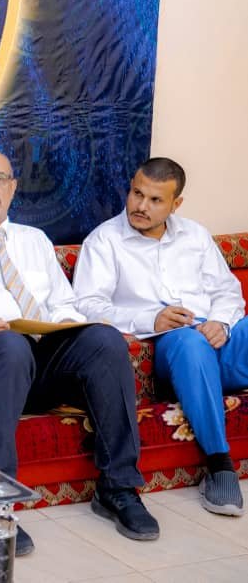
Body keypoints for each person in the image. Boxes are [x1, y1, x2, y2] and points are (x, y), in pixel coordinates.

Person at [0, 150, 159, 553]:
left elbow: (62, 304)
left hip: (32, 361)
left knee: (104, 340)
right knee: (9, 343)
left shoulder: (34, 240)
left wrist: (69, 326)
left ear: (13, 187)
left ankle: (118, 487)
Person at [74, 157, 246, 517]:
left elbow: (228, 292)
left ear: (175, 204)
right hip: (170, 344)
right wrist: (151, 318)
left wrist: (221, 322)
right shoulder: (104, 240)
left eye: (155, 200)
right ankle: (220, 466)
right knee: (191, 344)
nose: (141, 206)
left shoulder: (195, 235)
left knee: (210, 340)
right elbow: (87, 306)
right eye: (137, 194)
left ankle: (201, 383)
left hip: (215, 337)